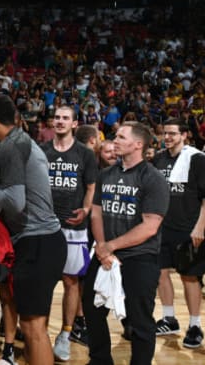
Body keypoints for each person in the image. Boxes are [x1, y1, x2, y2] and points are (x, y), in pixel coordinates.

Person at [0, 93, 66, 365]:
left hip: (36, 243)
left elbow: (15, 202)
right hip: (45, 241)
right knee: (35, 327)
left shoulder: (10, 147)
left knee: (34, 329)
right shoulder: (23, 141)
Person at [83, 121, 169, 365]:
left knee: (140, 321)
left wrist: (111, 246)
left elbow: (150, 226)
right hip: (104, 255)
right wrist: (102, 246)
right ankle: (100, 360)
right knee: (92, 310)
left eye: (121, 137)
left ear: (138, 144)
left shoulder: (153, 179)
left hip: (139, 257)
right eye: (116, 136)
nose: (115, 140)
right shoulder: (106, 174)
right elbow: (97, 213)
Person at [40, 106, 98, 361]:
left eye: (66, 118)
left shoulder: (85, 154)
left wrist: (86, 209)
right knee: (43, 281)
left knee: (71, 280)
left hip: (74, 225)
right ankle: (39, 330)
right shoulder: (42, 151)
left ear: (75, 124)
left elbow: (91, 187)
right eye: (57, 118)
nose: (60, 121)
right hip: (45, 225)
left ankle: (65, 332)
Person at [152, 118, 205, 348]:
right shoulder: (158, 159)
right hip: (162, 227)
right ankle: (169, 318)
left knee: (190, 277)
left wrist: (200, 227)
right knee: (160, 274)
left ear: (185, 135)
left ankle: (194, 325)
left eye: (173, 133)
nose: (168, 137)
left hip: (189, 228)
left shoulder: (197, 159)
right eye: (165, 133)